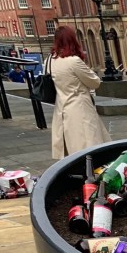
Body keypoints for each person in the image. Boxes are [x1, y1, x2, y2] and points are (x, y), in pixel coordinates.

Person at [49, 26, 111, 160]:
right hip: (79, 107)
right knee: (88, 144)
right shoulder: (74, 61)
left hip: (62, 108)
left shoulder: (51, 60)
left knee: (71, 147)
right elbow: (95, 82)